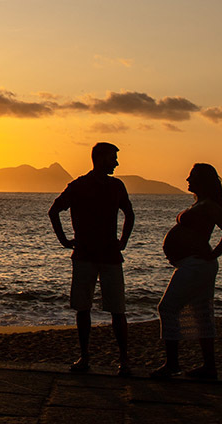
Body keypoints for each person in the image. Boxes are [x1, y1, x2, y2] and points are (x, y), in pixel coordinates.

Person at [48, 142, 135, 375]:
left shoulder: (115, 186)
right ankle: (87, 357)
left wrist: (123, 240)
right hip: (87, 255)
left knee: (115, 309)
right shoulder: (80, 186)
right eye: (112, 158)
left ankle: (122, 359)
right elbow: (54, 211)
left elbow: (130, 214)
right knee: (85, 308)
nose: (116, 162)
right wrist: (64, 241)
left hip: (106, 255)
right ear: (100, 158)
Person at [149, 163, 222, 380]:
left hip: (198, 264)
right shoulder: (201, 204)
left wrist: (214, 253)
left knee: (168, 307)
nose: (187, 180)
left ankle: (172, 364)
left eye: (192, 177)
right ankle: (209, 367)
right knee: (201, 314)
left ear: (202, 181)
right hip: (195, 264)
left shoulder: (209, 205)